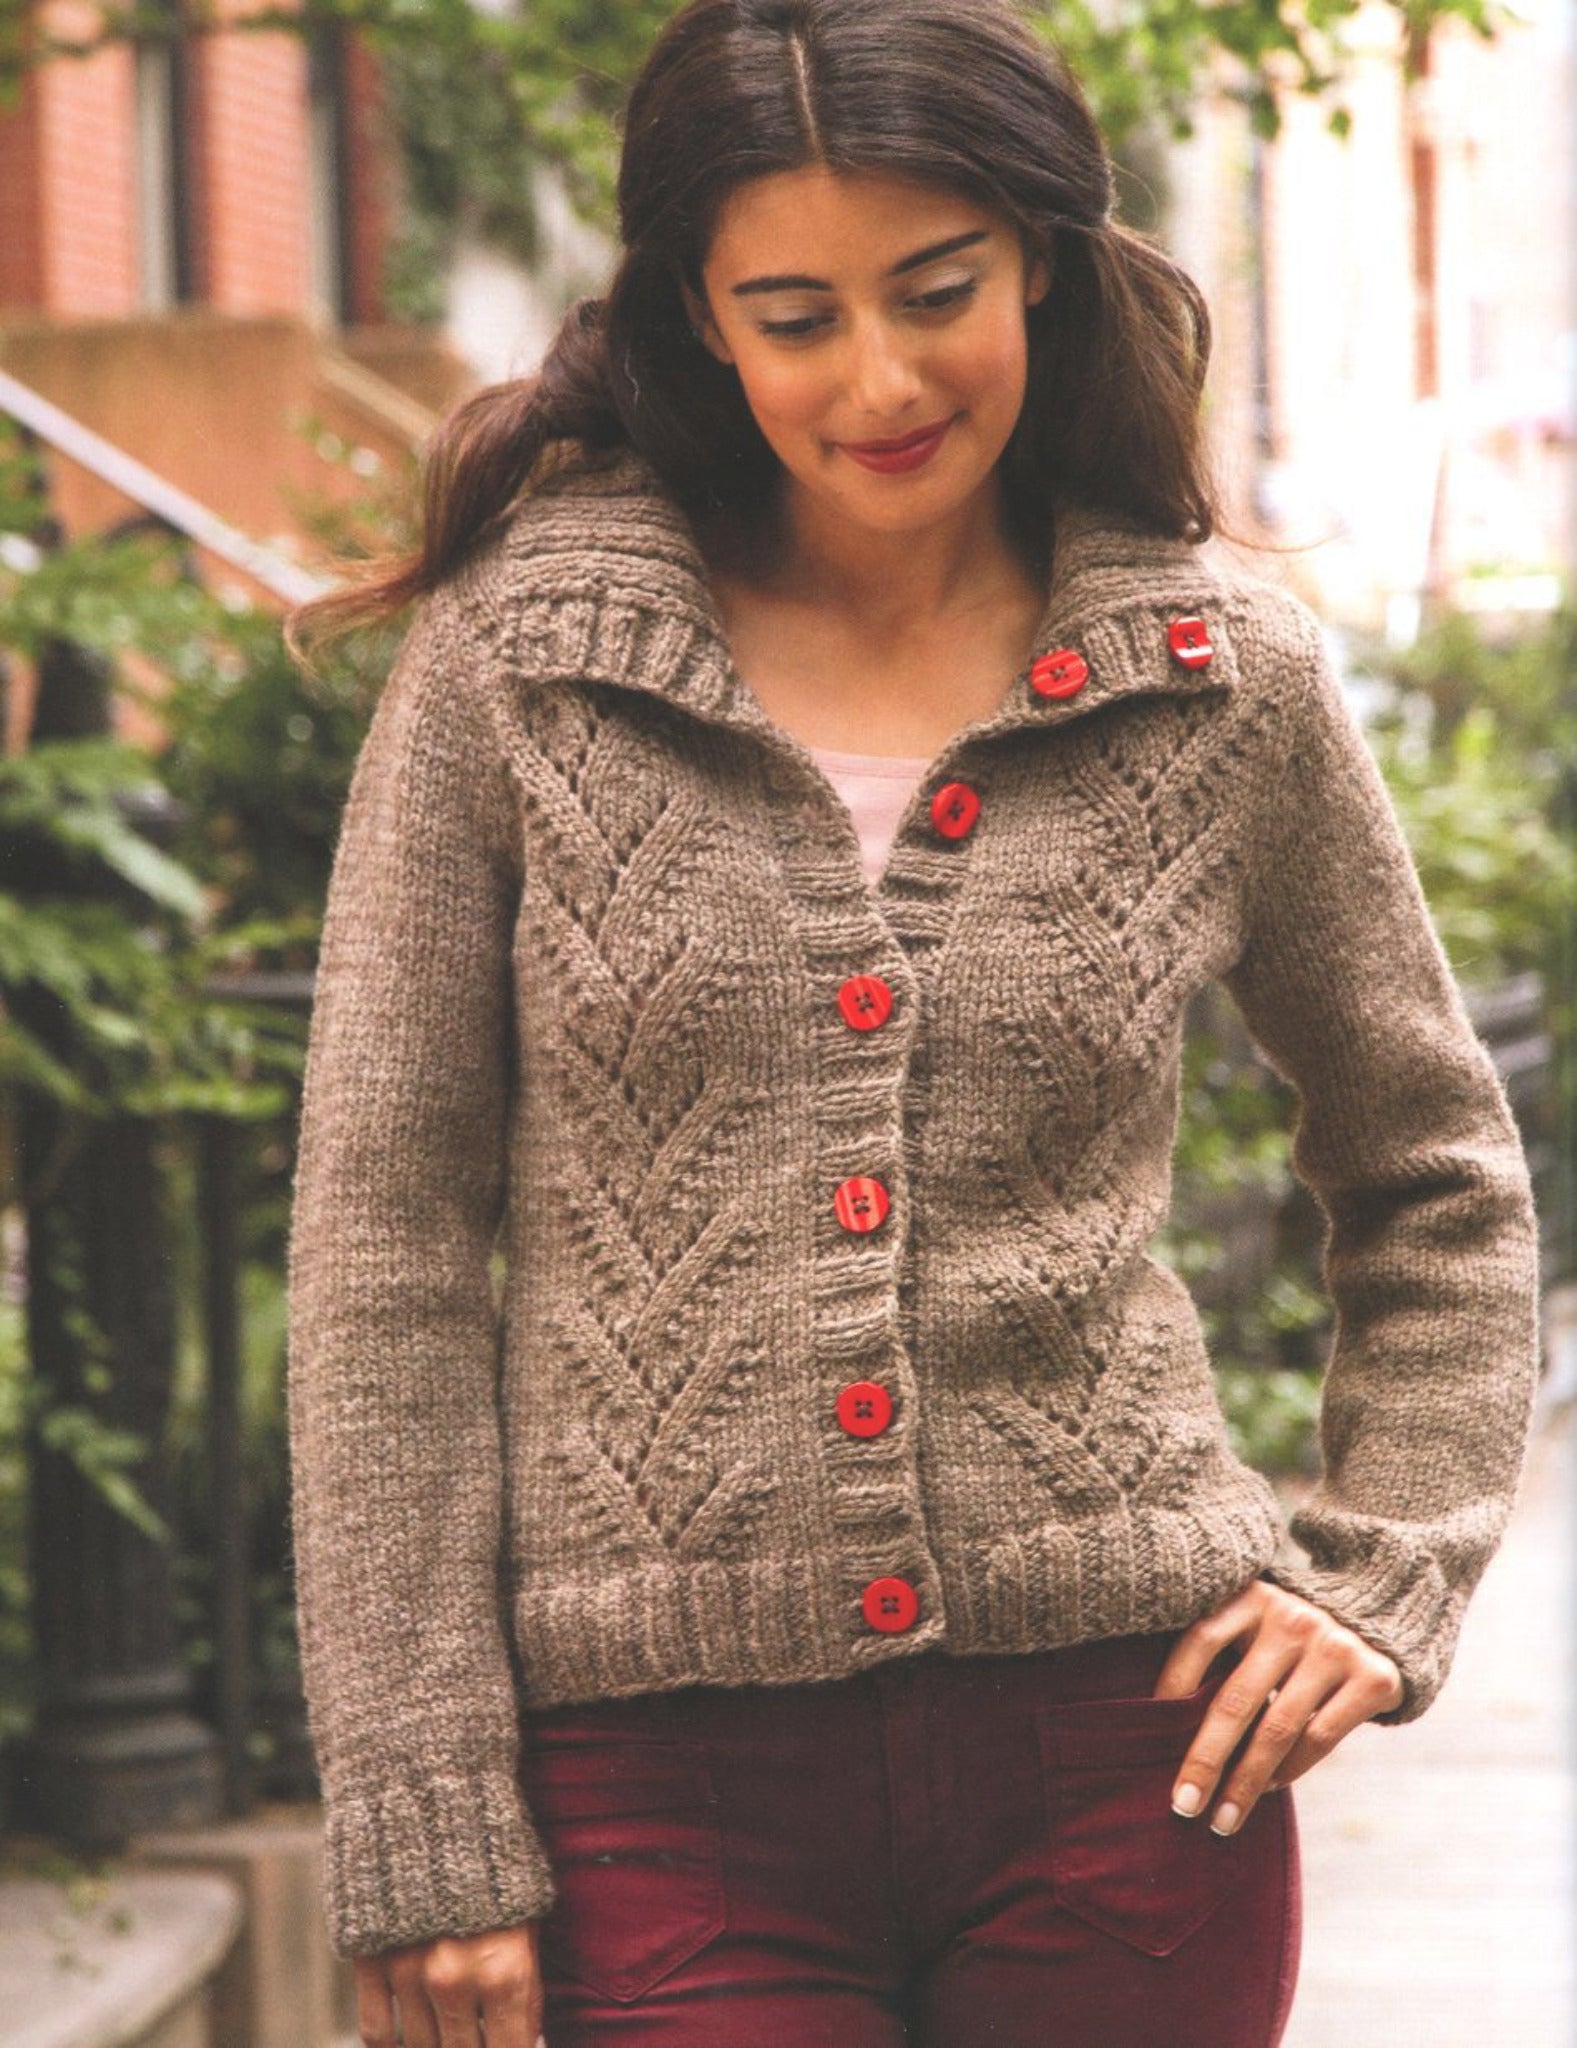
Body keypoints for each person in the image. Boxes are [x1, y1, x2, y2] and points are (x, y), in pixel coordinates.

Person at [282, 2, 1543, 2043]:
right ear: (701, 319)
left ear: (1042, 248)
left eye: (935, 291)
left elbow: (1439, 1180)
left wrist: (1381, 1570)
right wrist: (422, 1804)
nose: (877, 377)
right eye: (794, 316)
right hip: (649, 1786)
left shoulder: (1220, 676)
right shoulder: (520, 666)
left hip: (1132, 1759)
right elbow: (386, 1257)